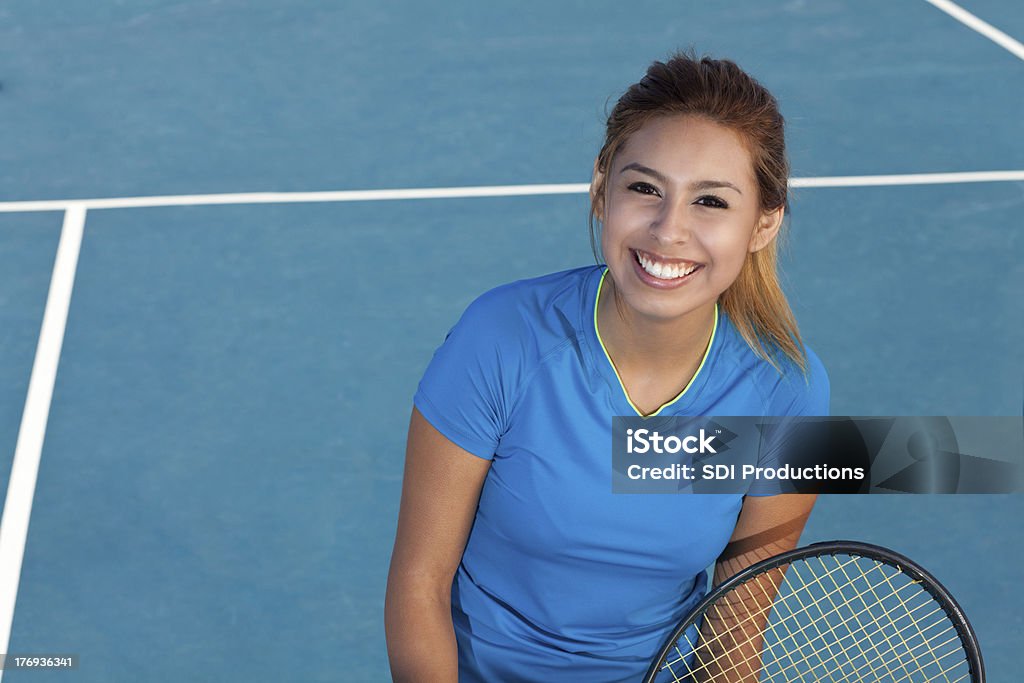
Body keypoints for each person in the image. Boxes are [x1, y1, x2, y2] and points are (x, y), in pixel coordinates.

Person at [385, 50, 830, 683]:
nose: (668, 231)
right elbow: (418, 583)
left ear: (763, 222)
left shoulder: (787, 390)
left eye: (710, 201)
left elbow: (737, 623)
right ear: (602, 190)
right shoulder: (500, 340)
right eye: (645, 188)